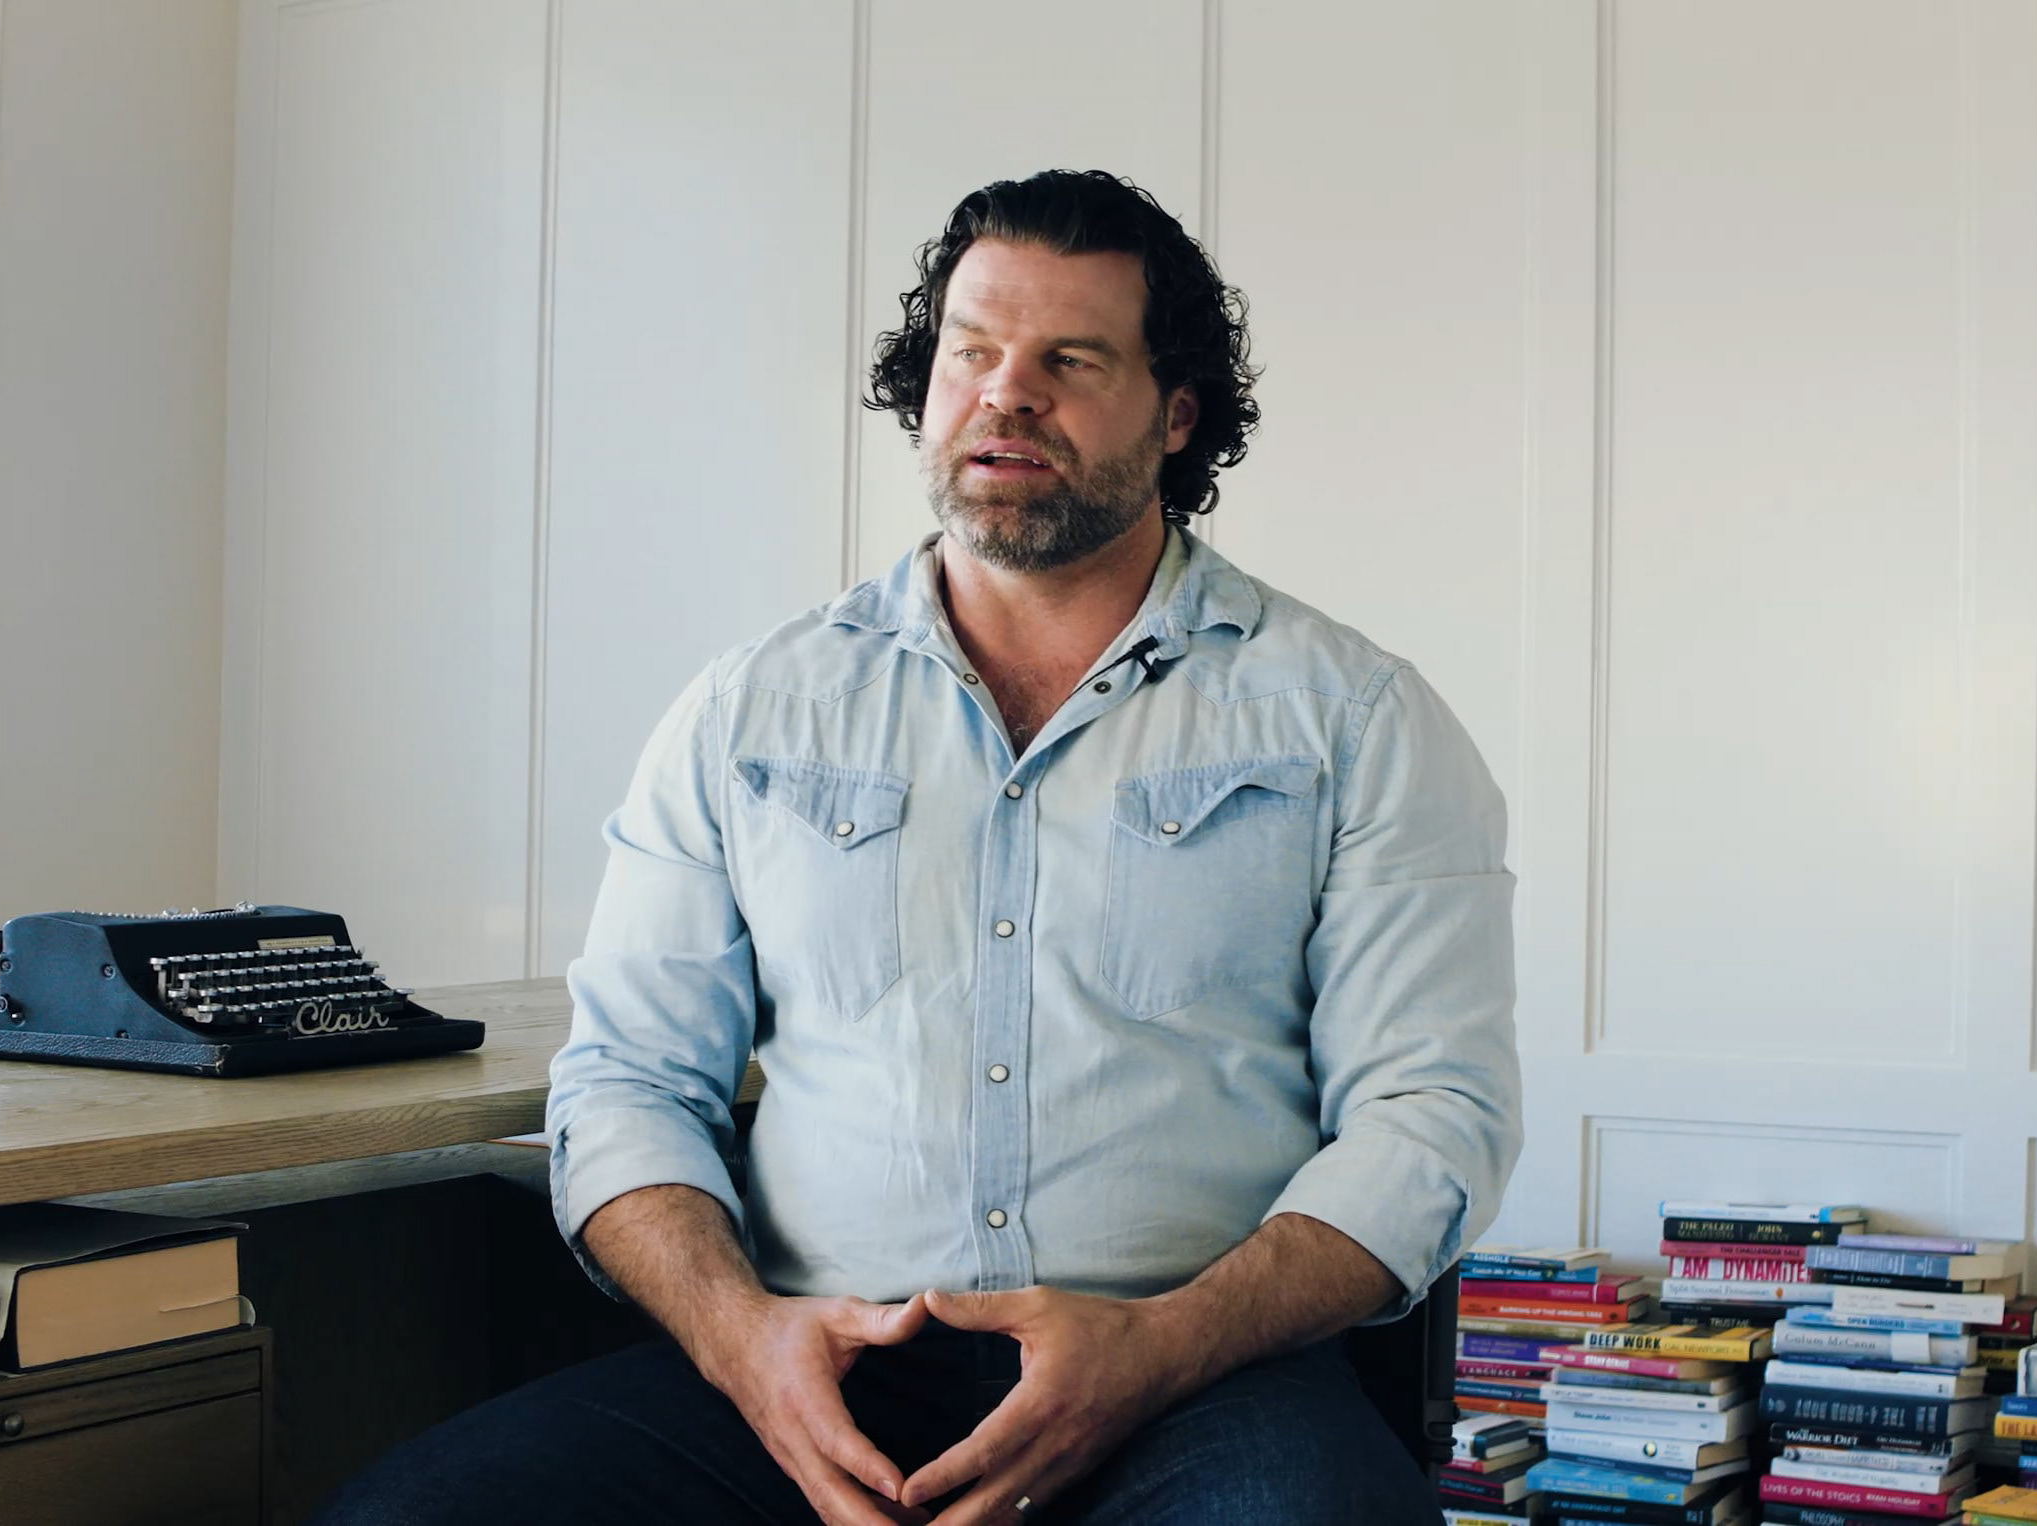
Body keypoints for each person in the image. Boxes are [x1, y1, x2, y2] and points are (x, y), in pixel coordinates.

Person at [316, 168, 1522, 1526]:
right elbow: (628, 1080)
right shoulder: (752, 709)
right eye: (972, 351)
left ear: (1178, 414)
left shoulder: (1353, 718)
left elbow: (1432, 1111)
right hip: (811, 1368)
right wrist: (741, 1342)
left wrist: (1161, 1346)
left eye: (1071, 360)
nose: (1008, 394)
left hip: (1198, 1376)